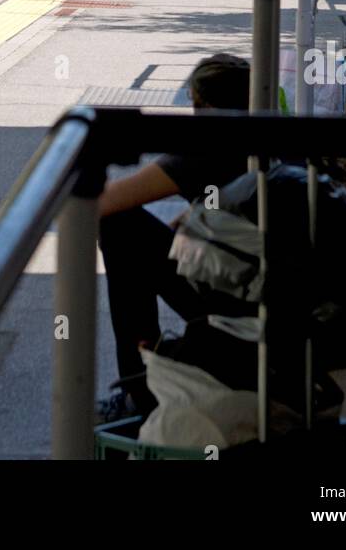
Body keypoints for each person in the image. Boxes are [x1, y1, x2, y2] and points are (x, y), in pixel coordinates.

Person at [95, 52, 251, 423]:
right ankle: (151, 371)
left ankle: (140, 389)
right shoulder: (263, 132)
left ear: (205, 105)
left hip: (238, 297)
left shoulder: (204, 147)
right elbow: (214, 205)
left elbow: (106, 204)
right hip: (281, 294)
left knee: (118, 228)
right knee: (141, 243)